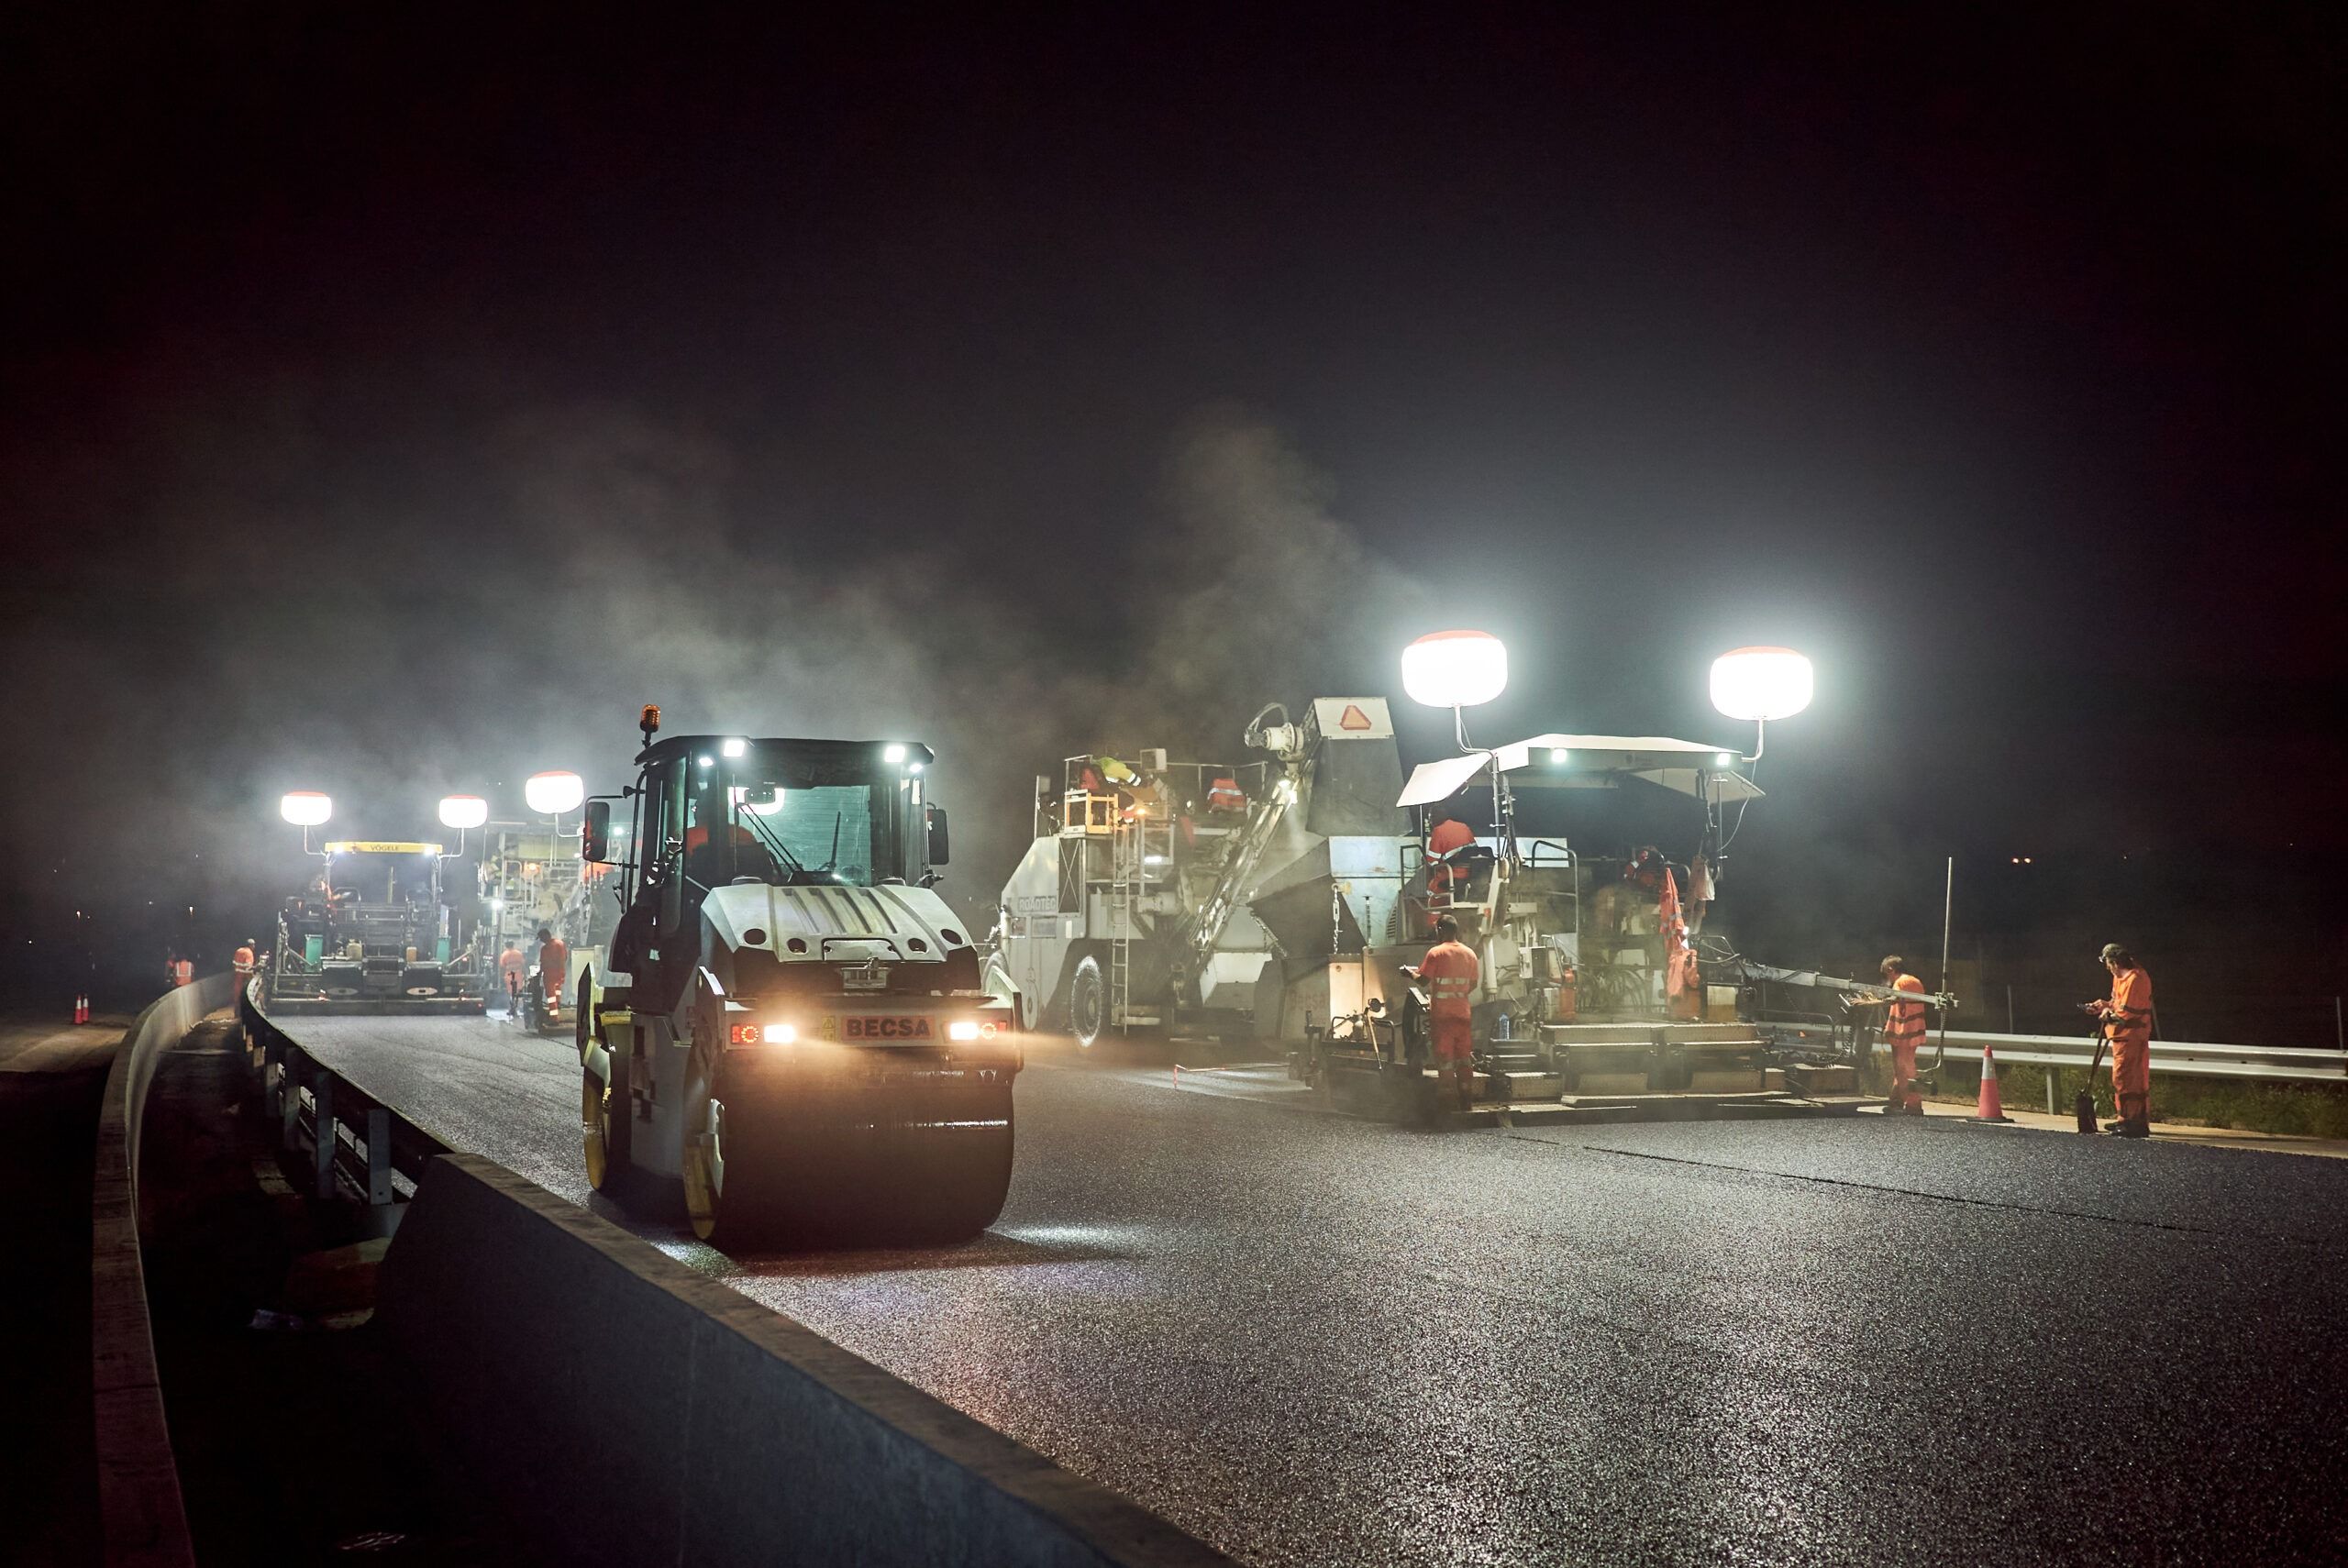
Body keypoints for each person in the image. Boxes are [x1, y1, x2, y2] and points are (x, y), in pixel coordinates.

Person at [1414, 913, 1481, 1110]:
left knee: (1445, 1059)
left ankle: (1447, 1103)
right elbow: (1474, 983)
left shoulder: (1436, 953)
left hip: (1443, 1017)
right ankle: (1466, 1100)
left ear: (1440, 930)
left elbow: (1423, 980)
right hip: (1463, 1015)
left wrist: (1408, 973)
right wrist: (1457, 995)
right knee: (1463, 1057)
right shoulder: (1470, 954)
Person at [2088, 943, 2154, 1138]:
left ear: (2115, 963)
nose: (2108, 968)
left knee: (2129, 1080)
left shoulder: (2136, 979)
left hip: (2132, 1037)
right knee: (2121, 1079)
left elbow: (2126, 1013)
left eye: (2108, 964)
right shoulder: (2121, 978)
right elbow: (2118, 1003)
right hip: (2121, 1037)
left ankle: (2134, 1122)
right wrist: (2105, 1005)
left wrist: (2108, 1014)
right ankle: (2125, 1119)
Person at [1853, 955, 1928, 1115]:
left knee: (1904, 1069)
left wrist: (1868, 1003)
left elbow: (1893, 999)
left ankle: (1914, 1105)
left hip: (1903, 1032)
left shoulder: (1901, 982)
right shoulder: (1915, 981)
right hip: (1914, 1031)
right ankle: (1896, 1102)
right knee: (1903, 1067)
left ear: (1890, 969)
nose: (1887, 978)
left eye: (1886, 974)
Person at [1425, 807, 1475, 922]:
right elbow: (1474, 850)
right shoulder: (1464, 827)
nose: (1430, 822)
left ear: (1434, 818)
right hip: (1472, 873)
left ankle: (1435, 928)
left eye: (1430, 819)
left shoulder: (1438, 831)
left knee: (1433, 893)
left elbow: (1432, 862)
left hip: (1453, 875)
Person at [536, 926, 570, 1023]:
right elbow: (565, 957)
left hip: (550, 975)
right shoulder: (560, 944)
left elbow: (544, 963)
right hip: (560, 972)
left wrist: (539, 973)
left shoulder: (545, 949)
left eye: (541, 938)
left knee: (551, 996)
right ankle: (558, 1003)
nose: (541, 940)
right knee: (557, 989)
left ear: (546, 935)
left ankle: (554, 1018)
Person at [498, 940, 526, 1019]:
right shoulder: (518, 953)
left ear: (506, 945)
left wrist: (501, 977)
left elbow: (502, 967)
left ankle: (512, 1009)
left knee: (511, 993)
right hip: (518, 975)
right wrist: (525, 974)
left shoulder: (504, 954)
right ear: (513, 945)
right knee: (517, 993)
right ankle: (516, 1007)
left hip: (509, 976)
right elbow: (523, 965)